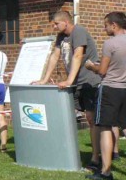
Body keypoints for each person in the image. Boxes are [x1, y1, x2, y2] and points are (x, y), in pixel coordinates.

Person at [32, 10, 102, 170]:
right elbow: (55, 56)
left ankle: (96, 158)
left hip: (88, 82)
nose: (55, 27)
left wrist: (69, 80)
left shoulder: (79, 31)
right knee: (68, 118)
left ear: (65, 22)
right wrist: (44, 80)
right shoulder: (61, 37)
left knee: (91, 119)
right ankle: (66, 153)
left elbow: (78, 55)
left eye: (56, 24)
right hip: (74, 84)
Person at [84, 11, 126, 180]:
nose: (104, 28)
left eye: (106, 25)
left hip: (110, 89)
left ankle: (105, 172)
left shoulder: (110, 44)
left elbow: (102, 71)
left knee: (105, 128)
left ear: (114, 25)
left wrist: (90, 66)